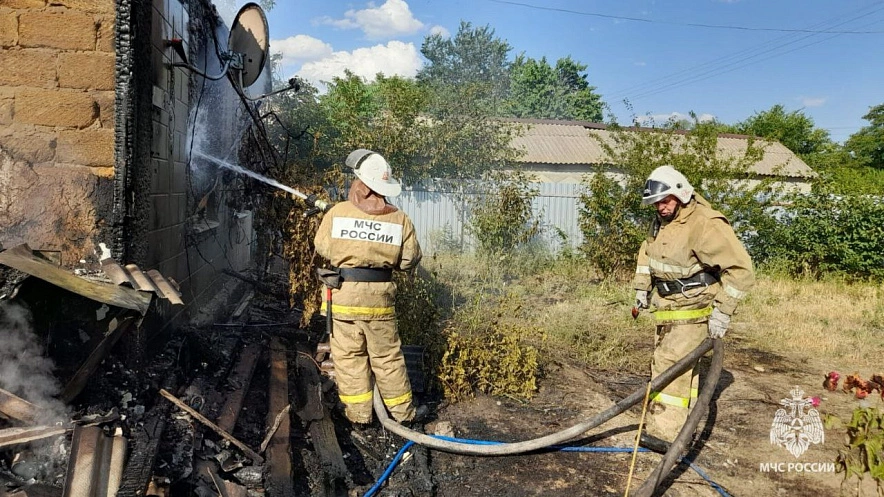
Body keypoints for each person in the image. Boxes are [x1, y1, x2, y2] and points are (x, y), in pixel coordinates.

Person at [632, 165, 754, 442]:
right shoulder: (662, 220)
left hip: (694, 305)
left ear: (681, 194)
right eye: (656, 203)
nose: (660, 208)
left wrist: (723, 311)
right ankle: (680, 427)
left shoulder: (705, 223)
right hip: (667, 306)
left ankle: (665, 435)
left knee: (671, 364)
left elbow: (741, 270)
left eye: (665, 201)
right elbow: (647, 253)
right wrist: (642, 288)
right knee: (675, 365)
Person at [313, 149, 423, 425]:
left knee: (349, 358)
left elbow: (322, 247)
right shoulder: (399, 219)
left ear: (359, 182)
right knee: (387, 358)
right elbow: (409, 260)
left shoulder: (338, 212)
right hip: (379, 301)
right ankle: (403, 415)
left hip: (343, 297)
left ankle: (360, 416)